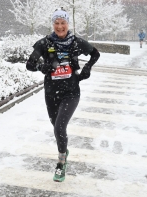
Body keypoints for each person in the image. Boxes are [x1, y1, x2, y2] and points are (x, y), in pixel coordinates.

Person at [26, 7, 100, 182]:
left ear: (68, 24)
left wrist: (87, 68)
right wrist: (40, 67)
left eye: (63, 23)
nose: (60, 27)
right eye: (57, 23)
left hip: (71, 91)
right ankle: (63, 149)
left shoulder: (76, 43)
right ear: (53, 24)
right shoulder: (44, 43)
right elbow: (30, 64)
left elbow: (95, 54)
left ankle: (61, 162)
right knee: (56, 126)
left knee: (60, 127)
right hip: (51, 92)